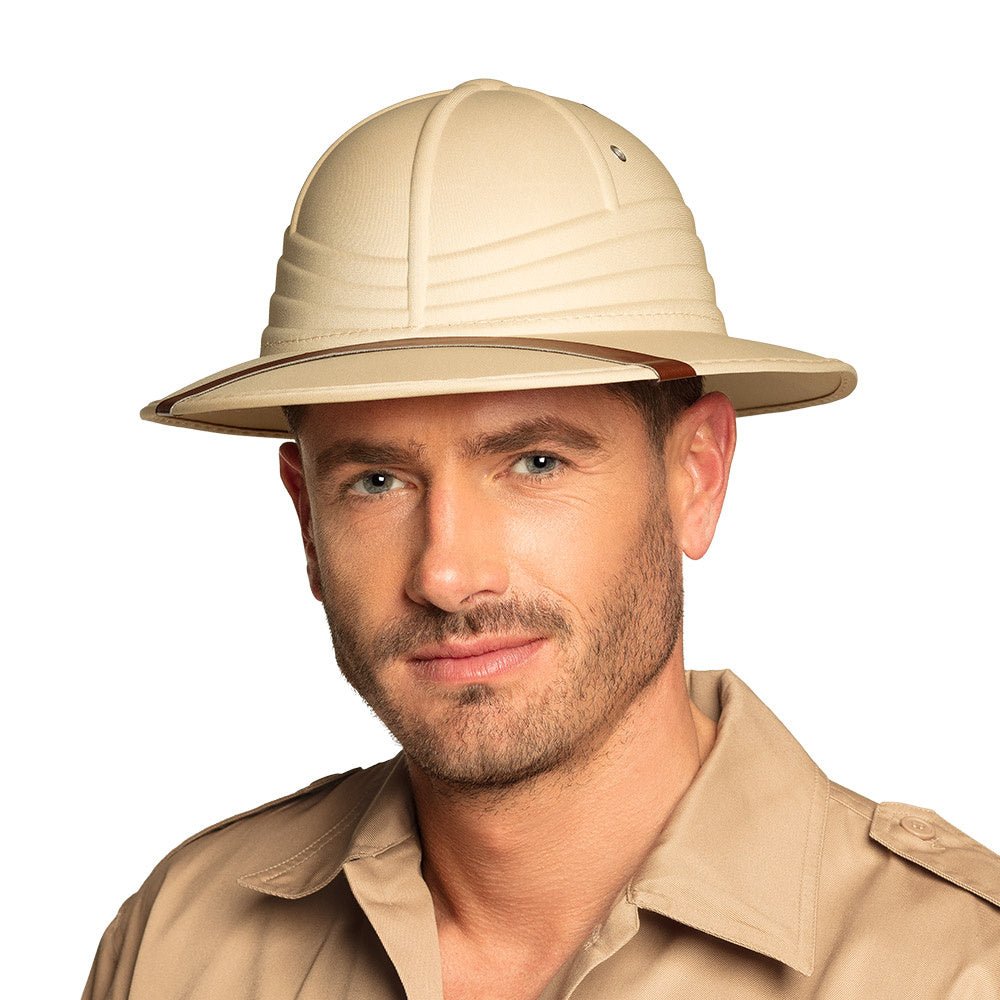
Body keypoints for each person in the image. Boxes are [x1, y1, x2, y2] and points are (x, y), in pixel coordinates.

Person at [84, 78, 999, 999]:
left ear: (696, 476)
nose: (447, 574)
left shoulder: (954, 968)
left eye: (535, 463)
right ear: (307, 520)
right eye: (377, 481)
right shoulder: (178, 945)